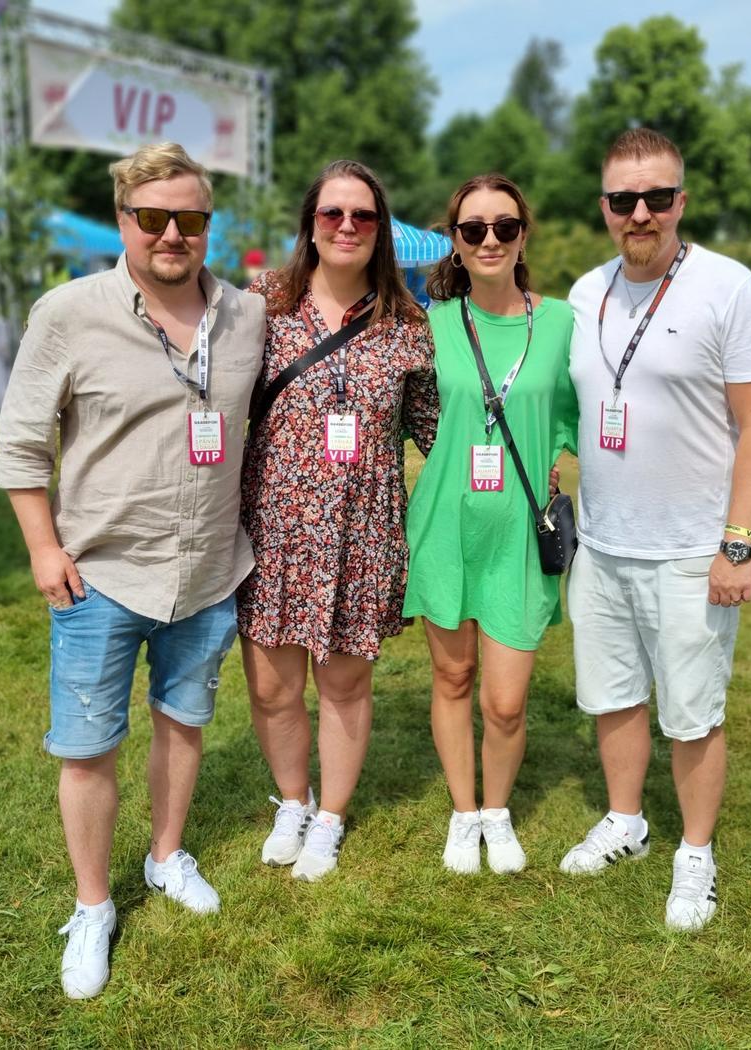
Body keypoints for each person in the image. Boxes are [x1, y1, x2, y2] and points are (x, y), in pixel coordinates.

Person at [0, 142, 265, 998]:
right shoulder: (69, 313)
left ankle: (167, 856)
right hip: (101, 574)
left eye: (190, 217)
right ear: (124, 221)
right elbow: (22, 443)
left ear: (209, 224)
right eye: (154, 217)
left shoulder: (246, 316)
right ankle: (93, 905)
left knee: (184, 723)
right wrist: (43, 547)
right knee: (88, 748)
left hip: (211, 570)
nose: (173, 233)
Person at [560, 128, 751, 931]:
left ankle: (695, 852)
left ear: (681, 201)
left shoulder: (729, 290)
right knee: (613, 698)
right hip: (605, 541)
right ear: (606, 209)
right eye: (624, 200)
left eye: (657, 197)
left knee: (693, 711)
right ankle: (627, 820)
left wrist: (738, 542)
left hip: (693, 550)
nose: (641, 213)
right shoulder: (586, 294)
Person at [239, 159, 438, 882]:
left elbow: (435, 431)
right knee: (271, 687)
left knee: (346, 685)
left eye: (363, 215)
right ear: (311, 226)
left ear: (380, 230)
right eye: (333, 214)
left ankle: (330, 819)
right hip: (275, 526)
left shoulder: (408, 326)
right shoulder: (262, 305)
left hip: (361, 533)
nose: (348, 226)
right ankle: (293, 799)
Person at [402, 174, 578, 875]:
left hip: (517, 534)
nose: (490, 240)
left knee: (505, 702)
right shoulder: (430, 323)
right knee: (452, 679)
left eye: (504, 226)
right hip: (446, 524)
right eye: (473, 229)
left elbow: (573, 410)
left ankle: (498, 811)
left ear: (523, 235)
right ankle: (464, 811)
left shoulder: (561, 322)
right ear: (455, 241)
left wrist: (552, 458)